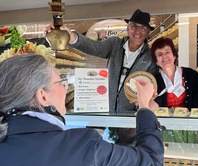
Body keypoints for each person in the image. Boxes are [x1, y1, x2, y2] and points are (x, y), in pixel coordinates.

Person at [0, 54, 164, 166]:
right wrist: (145, 107)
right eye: (60, 82)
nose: (65, 89)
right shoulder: (83, 148)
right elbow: (152, 162)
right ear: (42, 96)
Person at [45, 9, 159, 144]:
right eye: (133, 26)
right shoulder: (115, 44)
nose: (137, 31)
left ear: (148, 32)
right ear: (128, 27)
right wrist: (70, 37)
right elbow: (94, 47)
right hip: (102, 109)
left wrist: (146, 99)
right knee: (90, 145)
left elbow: (152, 85)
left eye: (143, 28)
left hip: (128, 117)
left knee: (125, 152)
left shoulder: (149, 57)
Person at [151, 37, 198, 109]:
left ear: (174, 55)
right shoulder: (153, 81)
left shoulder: (190, 74)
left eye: (167, 52)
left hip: (188, 123)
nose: (164, 56)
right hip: (163, 123)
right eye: (160, 54)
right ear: (156, 61)